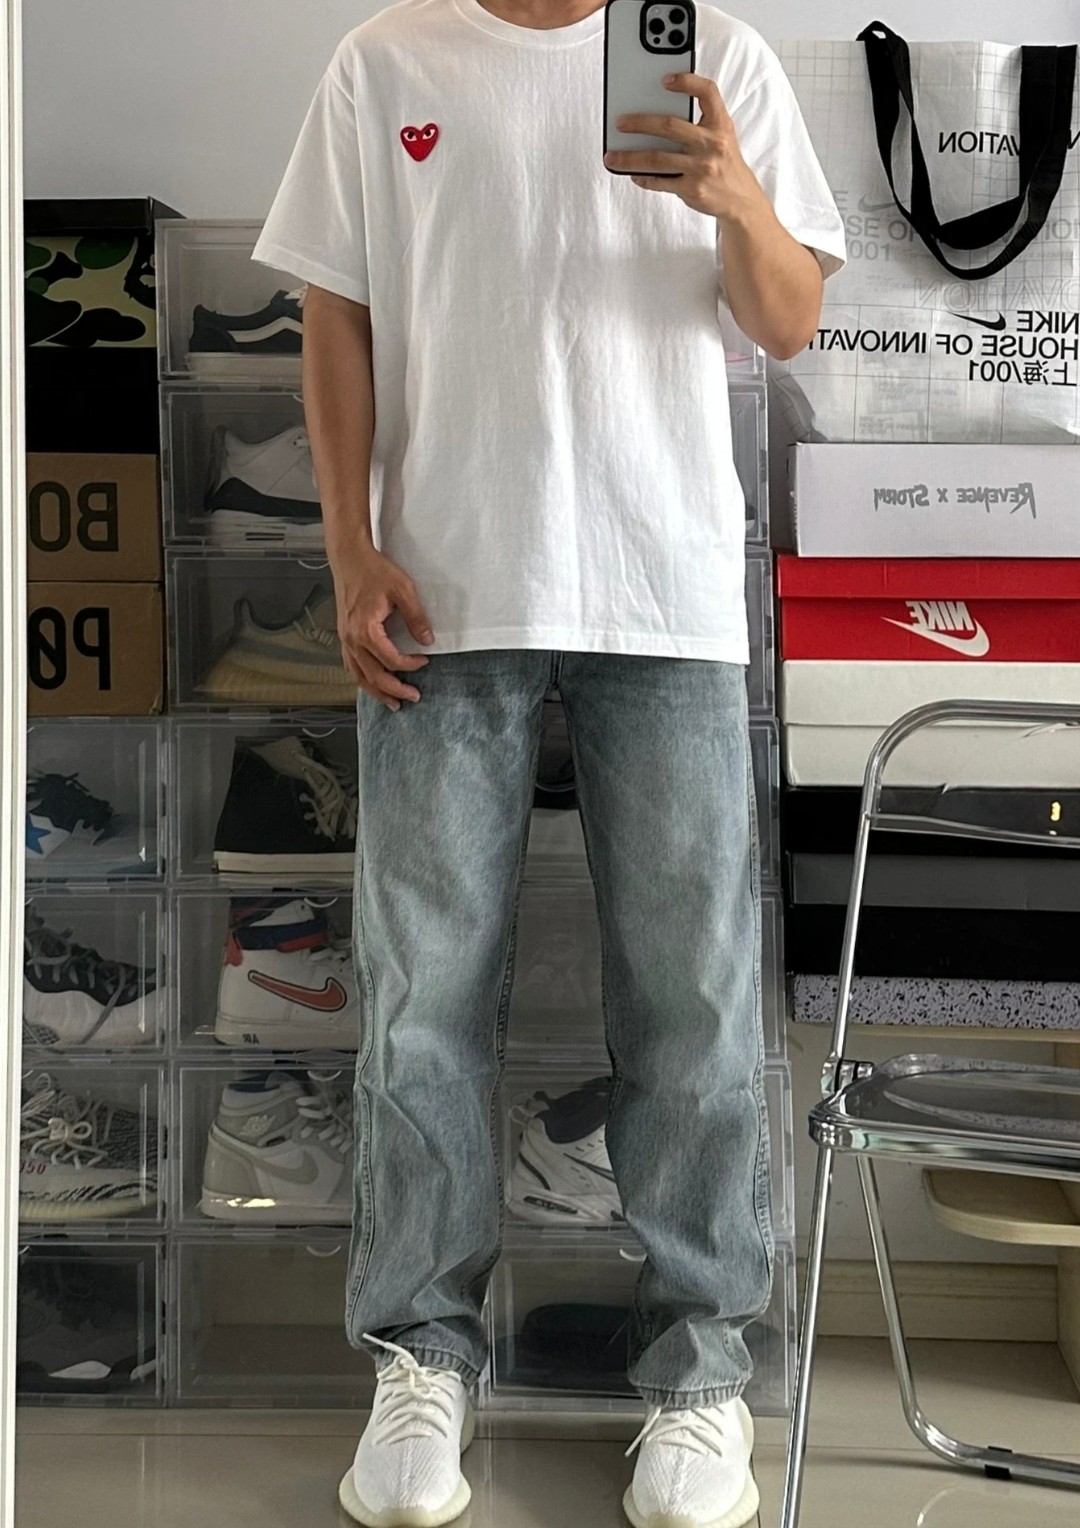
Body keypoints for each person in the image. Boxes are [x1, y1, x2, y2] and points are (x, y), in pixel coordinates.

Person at [254, 2, 843, 1524]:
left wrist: (734, 197)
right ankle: (421, 1360)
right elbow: (336, 312)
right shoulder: (386, 61)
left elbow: (787, 320)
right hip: (443, 593)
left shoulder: (720, 59)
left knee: (695, 1002)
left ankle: (701, 1378)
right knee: (422, 999)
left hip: (665, 593)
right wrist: (347, 548)